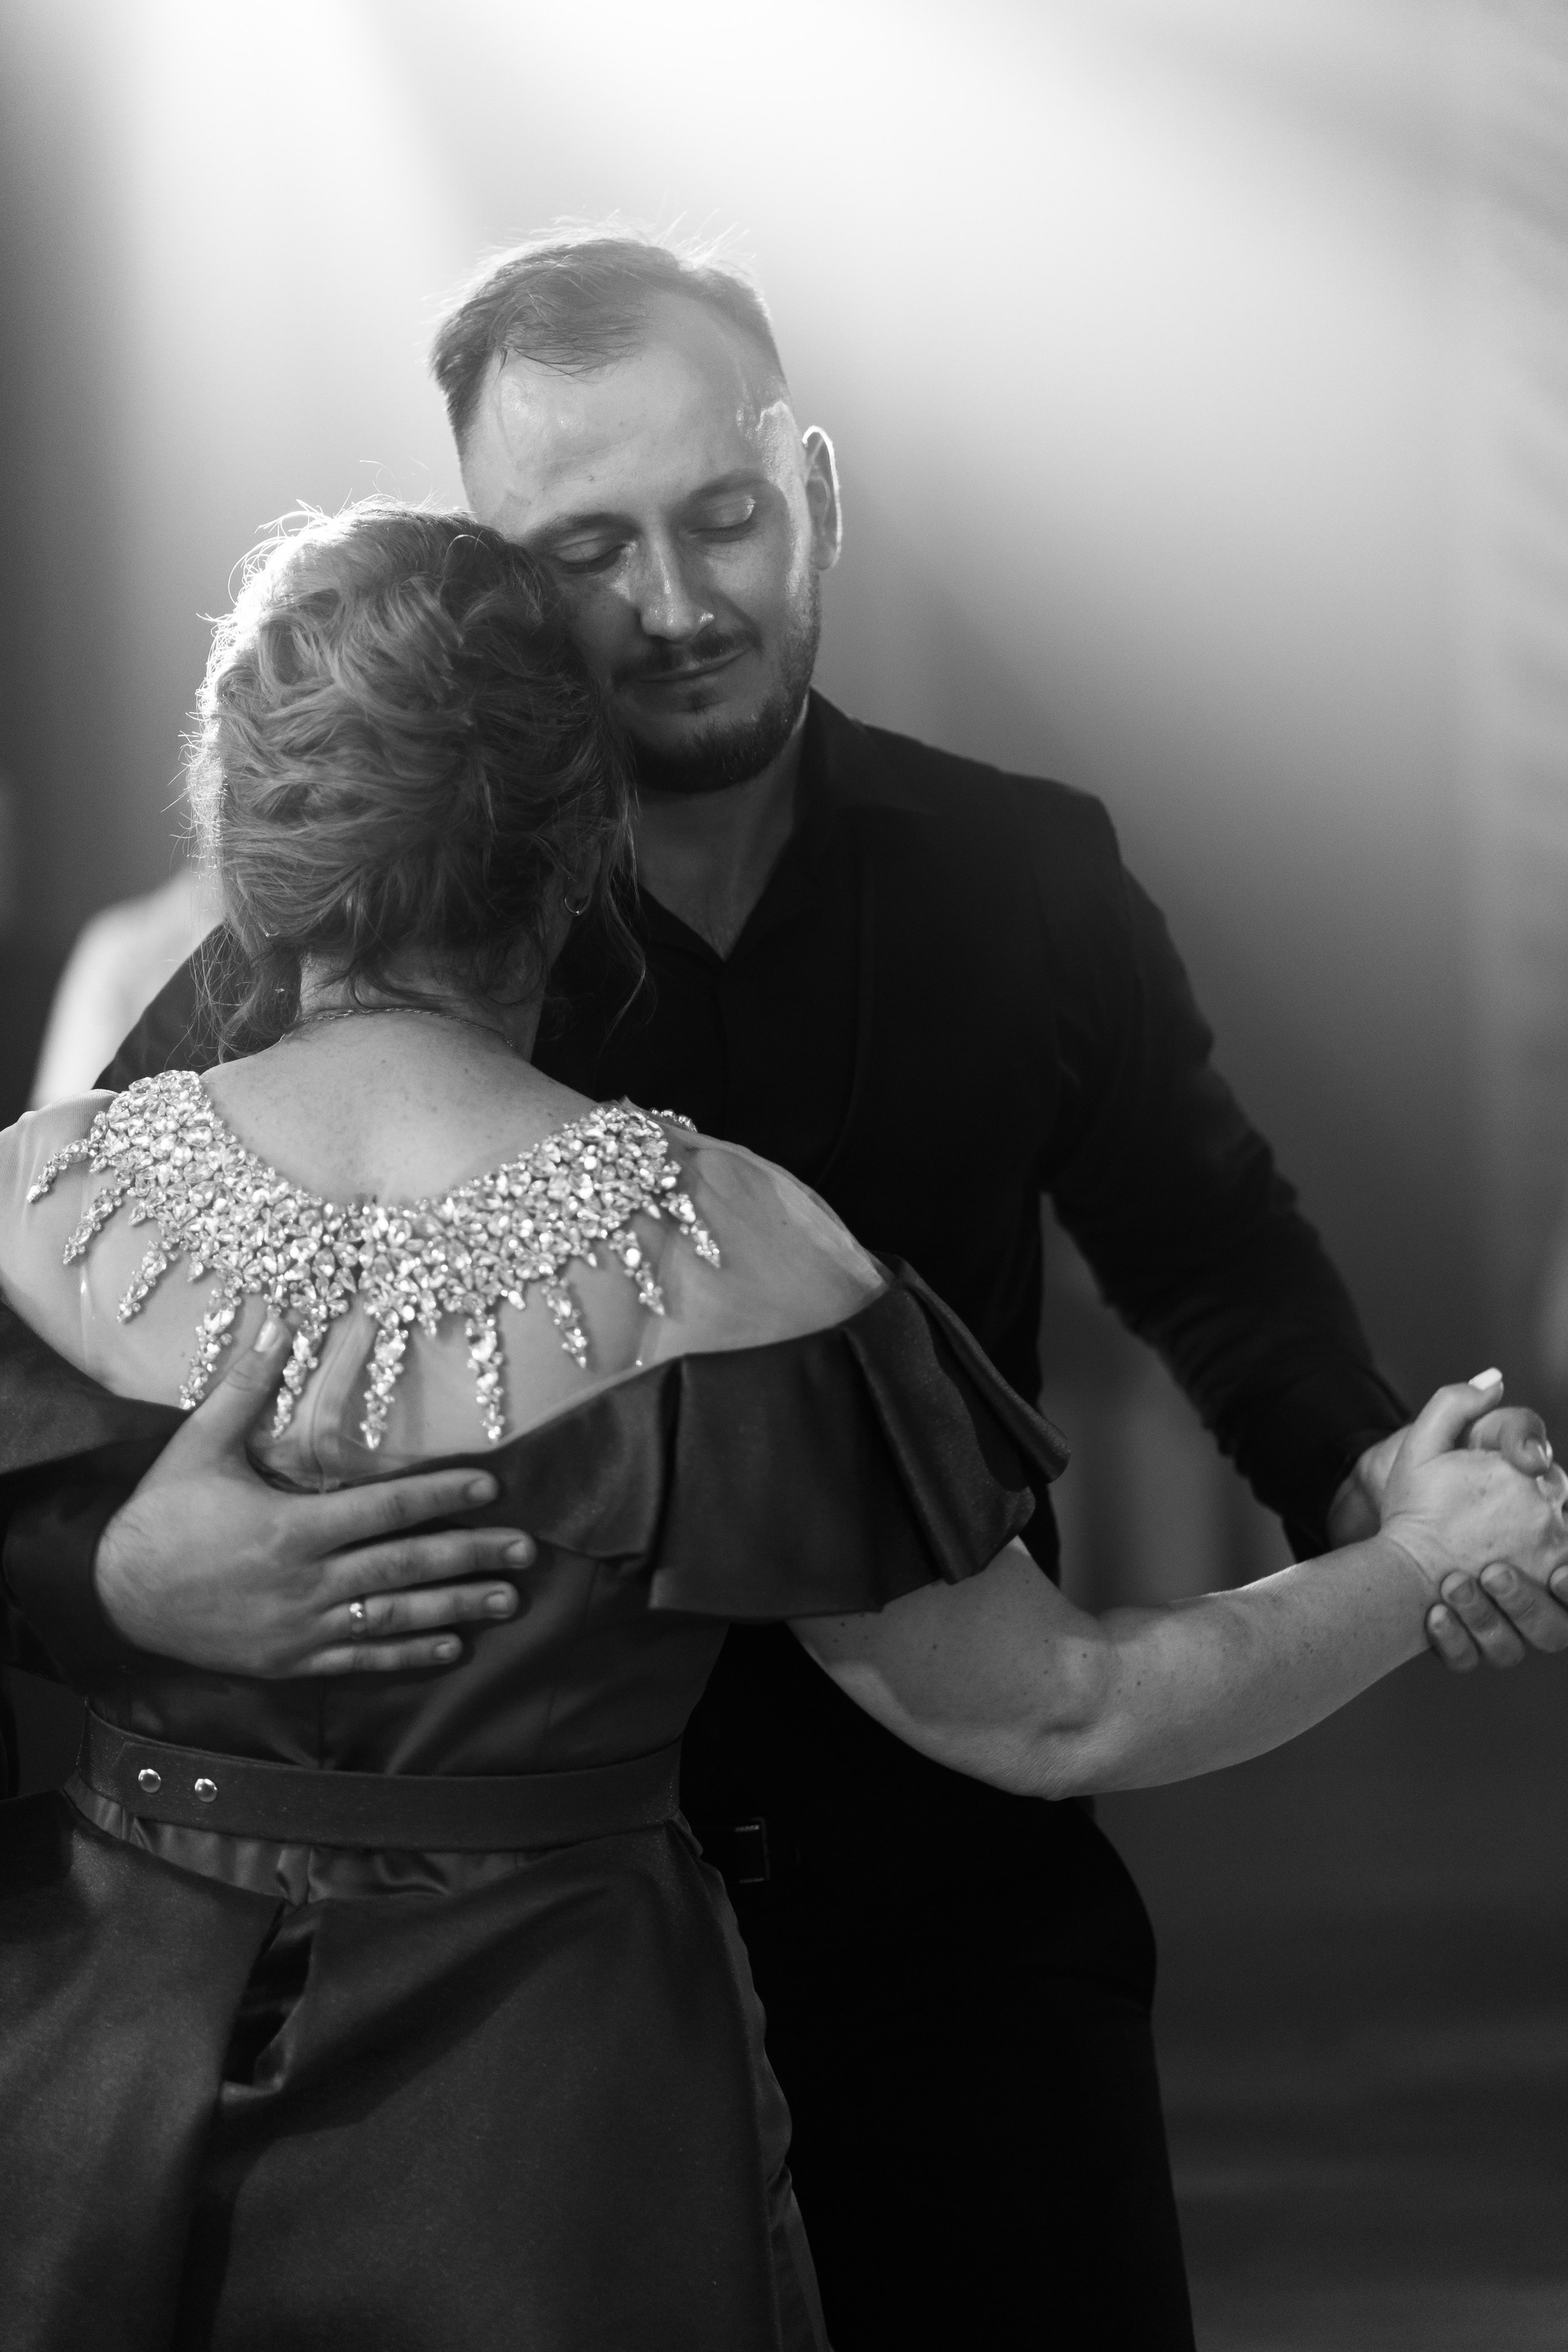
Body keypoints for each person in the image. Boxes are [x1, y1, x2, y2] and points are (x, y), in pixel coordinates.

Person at [6, 236, 1567, 2349]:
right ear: (496, 583)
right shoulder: (313, 957)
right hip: (491, 1998)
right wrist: (120, 1572)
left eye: (723, 515)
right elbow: (124, 1369)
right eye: (589, 549)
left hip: (946, 1911)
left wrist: (1372, 1483)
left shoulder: (1023, 873)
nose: (675, 602)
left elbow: (1215, 1251)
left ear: (811, 487)